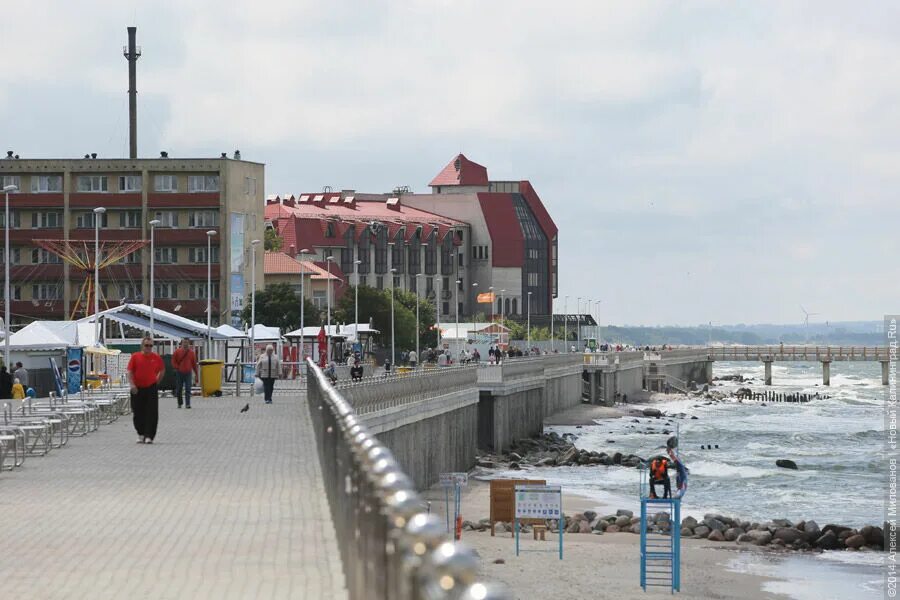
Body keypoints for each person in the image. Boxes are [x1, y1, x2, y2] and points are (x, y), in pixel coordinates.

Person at [127, 336, 165, 444]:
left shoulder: (156, 357)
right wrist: (132, 385)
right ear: (142, 346)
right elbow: (129, 372)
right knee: (137, 412)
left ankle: (149, 435)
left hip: (151, 387)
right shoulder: (135, 357)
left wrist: (157, 381)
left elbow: (162, 370)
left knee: (151, 412)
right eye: (146, 345)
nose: (148, 348)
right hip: (137, 388)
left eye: (150, 346)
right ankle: (141, 433)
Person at [171, 338, 199, 409]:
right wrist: (177, 367)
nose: (186, 344)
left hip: (188, 373)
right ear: (182, 343)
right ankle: (180, 403)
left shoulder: (191, 353)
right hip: (179, 373)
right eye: (184, 342)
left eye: (187, 343)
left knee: (188, 389)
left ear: (189, 343)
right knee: (179, 389)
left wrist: (196, 374)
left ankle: (188, 404)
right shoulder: (177, 352)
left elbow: (194, 364)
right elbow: (173, 361)